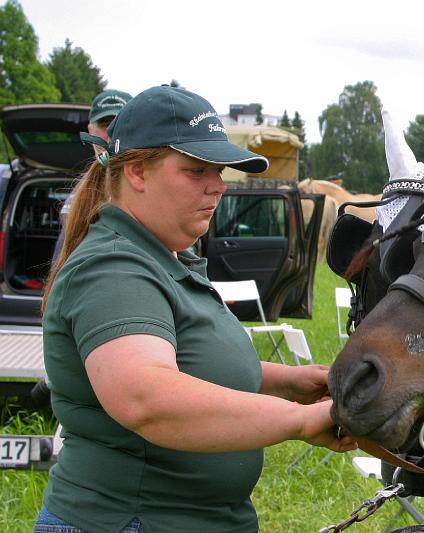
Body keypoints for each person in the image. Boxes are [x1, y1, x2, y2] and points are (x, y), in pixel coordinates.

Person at [35, 86, 356, 533]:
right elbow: (147, 399)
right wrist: (301, 420)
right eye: (196, 169)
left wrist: (287, 381)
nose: (218, 184)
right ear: (137, 172)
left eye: (219, 170)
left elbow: (185, 359)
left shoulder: (165, 256)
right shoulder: (113, 268)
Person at [51, 89, 132, 263]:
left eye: (118, 123)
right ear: (90, 130)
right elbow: (62, 260)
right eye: (104, 124)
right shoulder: (80, 196)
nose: (110, 134)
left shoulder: (153, 186)